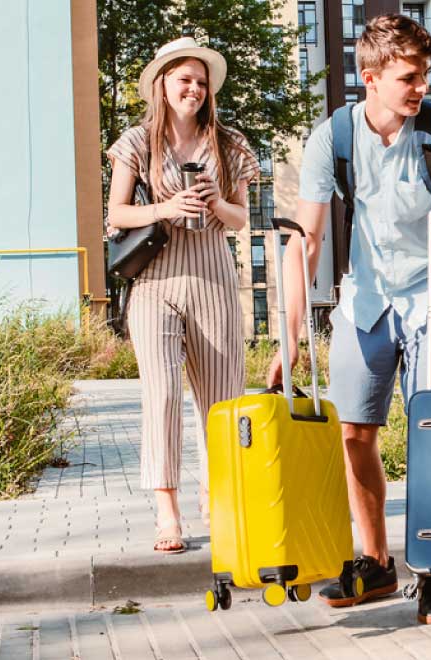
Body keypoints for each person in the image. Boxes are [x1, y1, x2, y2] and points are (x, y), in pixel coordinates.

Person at [267, 14, 431, 624]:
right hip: (366, 298)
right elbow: (304, 243)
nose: (422, 88)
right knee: (352, 433)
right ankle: (378, 562)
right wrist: (289, 338)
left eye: (425, 76)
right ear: (371, 78)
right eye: (410, 77)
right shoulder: (332, 138)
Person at [105, 37, 259, 555]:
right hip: (155, 283)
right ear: (162, 85)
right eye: (183, 79)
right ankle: (167, 510)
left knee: (222, 401)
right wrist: (164, 208)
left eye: (200, 81)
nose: (192, 88)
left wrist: (216, 200)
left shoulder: (229, 144)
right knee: (164, 395)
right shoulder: (137, 142)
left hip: (214, 278)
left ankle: (217, 494)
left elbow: (242, 220)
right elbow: (116, 216)